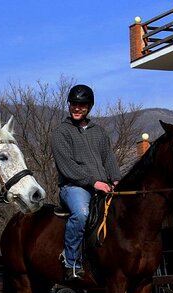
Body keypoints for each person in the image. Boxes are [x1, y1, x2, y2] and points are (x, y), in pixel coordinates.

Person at [51, 84, 122, 281]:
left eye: (82, 104)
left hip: (103, 185)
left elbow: (108, 158)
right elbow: (68, 167)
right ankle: (71, 261)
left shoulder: (99, 132)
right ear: (69, 105)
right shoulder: (60, 133)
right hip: (74, 187)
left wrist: (116, 179)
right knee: (81, 214)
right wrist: (94, 182)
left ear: (89, 106)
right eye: (74, 103)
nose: (77, 108)